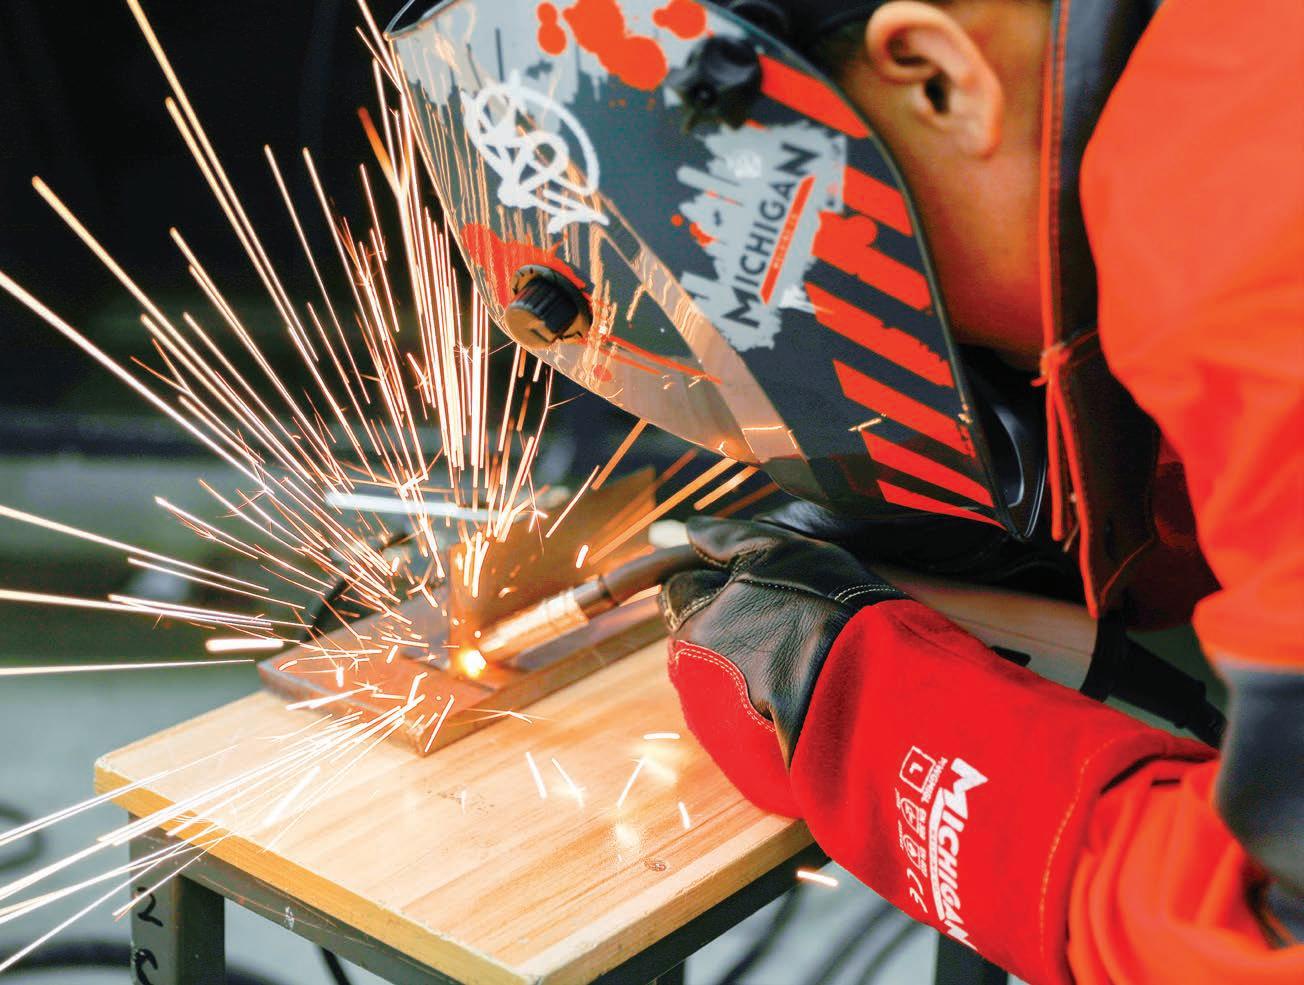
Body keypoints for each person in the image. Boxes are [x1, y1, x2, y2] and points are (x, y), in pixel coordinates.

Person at [659, 1, 1303, 982]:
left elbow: (1274, 936)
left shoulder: (1220, 241)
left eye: (839, 265)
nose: (939, 348)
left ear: (938, 79)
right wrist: (1132, 499)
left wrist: (869, 728)